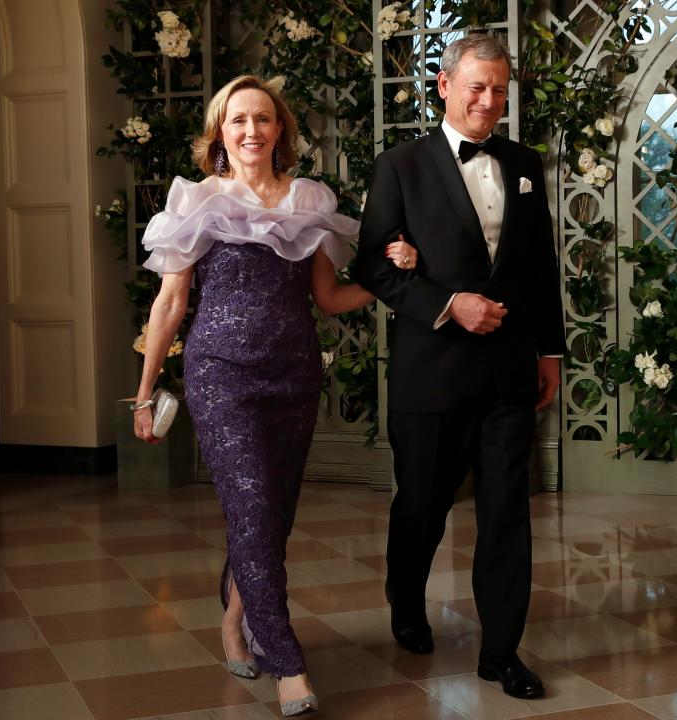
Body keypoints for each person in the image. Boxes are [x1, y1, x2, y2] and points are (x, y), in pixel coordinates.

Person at [131, 74, 417, 717]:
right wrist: (145, 392)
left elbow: (329, 299)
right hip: (220, 374)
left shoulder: (308, 201)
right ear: (220, 133)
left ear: (280, 129)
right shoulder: (199, 201)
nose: (251, 131)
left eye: (263, 119)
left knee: (269, 516)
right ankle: (288, 662)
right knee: (254, 507)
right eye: (238, 120)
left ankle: (234, 622)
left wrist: (390, 280)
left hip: (292, 375)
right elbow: (171, 303)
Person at [352, 34, 565, 699]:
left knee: (506, 513)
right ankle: (405, 600)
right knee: (423, 505)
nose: (489, 101)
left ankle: (501, 652)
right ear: (444, 85)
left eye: (500, 89)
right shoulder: (400, 165)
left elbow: (539, 271)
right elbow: (372, 269)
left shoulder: (525, 163)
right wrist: (449, 305)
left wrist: (550, 352)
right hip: (431, 373)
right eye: (476, 87)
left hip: (507, 374)